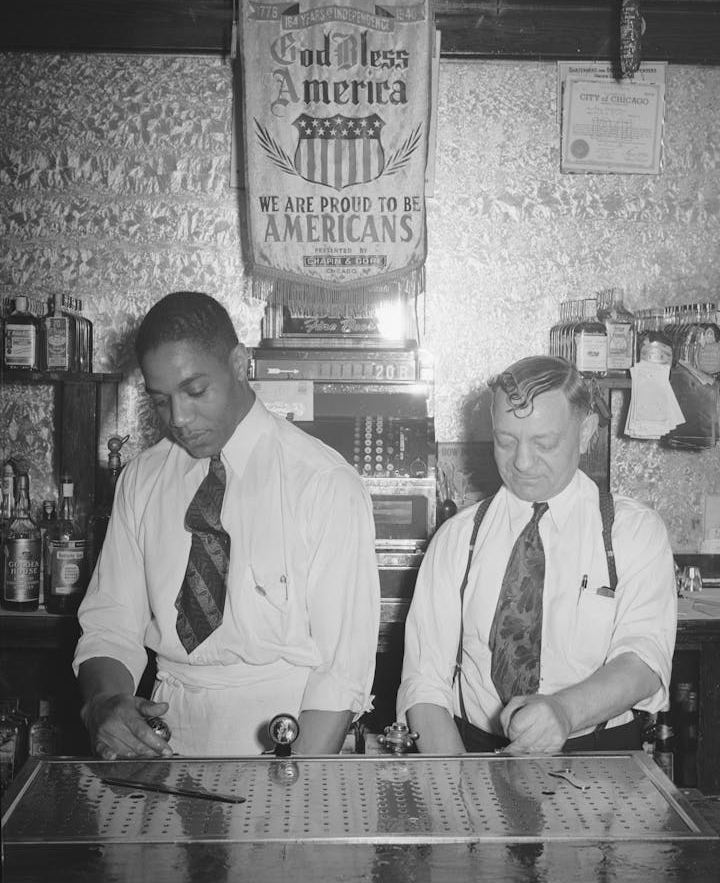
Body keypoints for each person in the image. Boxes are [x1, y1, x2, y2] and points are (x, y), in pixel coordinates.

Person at [74, 291, 380, 759]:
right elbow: (110, 625)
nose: (179, 418)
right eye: (160, 401)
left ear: (239, 364)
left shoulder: (322, 483)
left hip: (287, 741)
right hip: (164, 738)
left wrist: (292, 790)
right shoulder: (142, 479)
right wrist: (104, 704)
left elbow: (340, 674)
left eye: (196, 391)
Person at [397, 355, 677, 754]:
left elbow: (644, 659)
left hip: (599, 757)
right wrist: (456, 789)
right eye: (505, 441)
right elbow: (424, 684)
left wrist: (563, 712)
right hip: (473, 754)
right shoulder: (457, 539)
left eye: (543, 443)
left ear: (585, 433)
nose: (522, 462)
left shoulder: (632, 532)